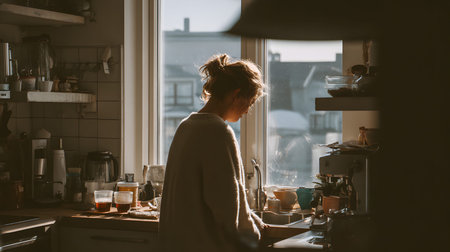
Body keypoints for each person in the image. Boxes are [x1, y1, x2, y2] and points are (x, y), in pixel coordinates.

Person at [159, 54, 267, 252]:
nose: (247, 111)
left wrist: (252, 218)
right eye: (249, 102)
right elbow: (226, 205)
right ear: (236, 95)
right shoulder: (219, 132)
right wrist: (251, 236)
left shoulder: (186, 126)